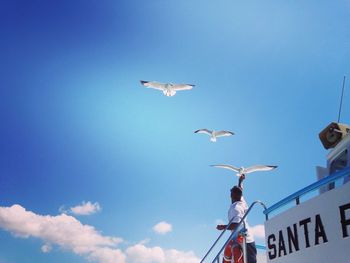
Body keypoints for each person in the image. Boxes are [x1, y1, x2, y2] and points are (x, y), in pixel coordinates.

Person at [216, 174, 257, 263]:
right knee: (232, 246)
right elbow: (240, 190)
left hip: (246, 239)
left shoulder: (236, 208)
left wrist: (223, 227)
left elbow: (236, 224)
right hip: (242, 236)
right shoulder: (242, 201)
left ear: (232, 195)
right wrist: (240, 181)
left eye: (231, 192)